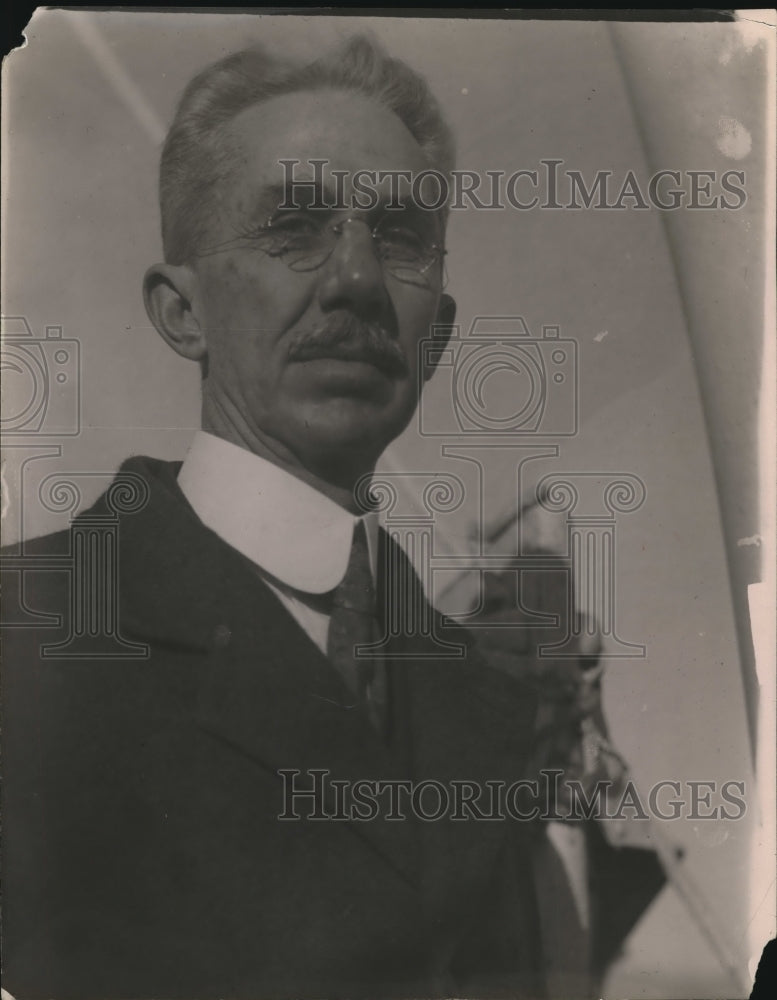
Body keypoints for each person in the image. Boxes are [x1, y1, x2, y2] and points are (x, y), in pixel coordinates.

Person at [1, 35, 664, 999]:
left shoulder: (496, 711)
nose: (355, 279)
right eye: (294, 227)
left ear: (436, 333)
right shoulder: (24, 635)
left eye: (397, 238)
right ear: (181, 312)